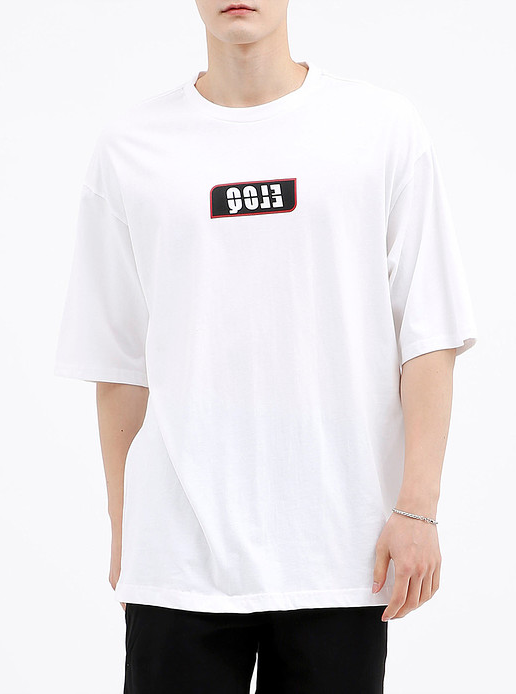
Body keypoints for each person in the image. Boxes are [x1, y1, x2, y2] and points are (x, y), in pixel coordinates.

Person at [54, 1, 478, 692]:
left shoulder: (380, 128)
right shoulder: (131, 146)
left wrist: (418, 508)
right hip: (178, 562)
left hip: (341, 556)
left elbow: (428, 334)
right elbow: (119, 366)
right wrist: (125, 531)